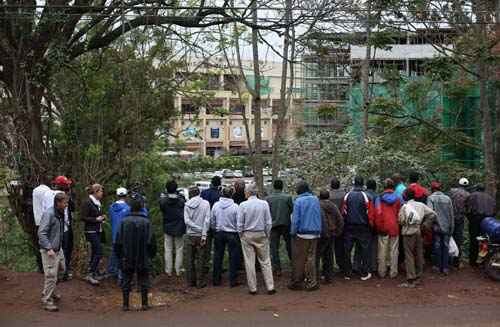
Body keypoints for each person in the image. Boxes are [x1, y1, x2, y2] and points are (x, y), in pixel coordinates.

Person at [115, 194, 157, 311]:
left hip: (126, 255)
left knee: (126, 279)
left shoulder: (124, 222)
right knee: (144, 279)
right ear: (141, 207)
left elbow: (118, 241)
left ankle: (125, 304)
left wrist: (119, 255)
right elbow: (151, 242)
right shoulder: (146, 222)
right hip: (143, 255)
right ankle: (144, 304)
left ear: (130, 208)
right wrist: (151, 255)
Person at [238, 184, 275, 295]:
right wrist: (267, 234)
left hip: (247, 235)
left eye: (245, 191)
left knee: (249, 262)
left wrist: (241, 235)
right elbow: (268, 222)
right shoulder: (264, 204)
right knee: (265, 261)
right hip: (261, 234)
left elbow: (239, 224)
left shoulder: (243, 205)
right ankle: (270, 286)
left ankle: (253, 288)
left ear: (248, 192)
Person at [398, 189, 437, 287]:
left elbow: (401, 221)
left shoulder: (404, 207)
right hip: (418, 231)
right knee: (419, 253)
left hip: (408, 232)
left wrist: (405, 223)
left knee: (409, 255)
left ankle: (411, 278)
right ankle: (419, 276)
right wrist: (425, 225)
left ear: (406, 196)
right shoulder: (421, 205)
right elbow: (433, 214)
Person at [38, 192, 69, 312]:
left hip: (58, 248)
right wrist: (48, 248)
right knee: (51, 275)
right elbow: (41, 233)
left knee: (62, 269)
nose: (66, 205)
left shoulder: (60, 213)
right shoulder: (49, 214)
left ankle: (51, 291)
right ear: (58, 203)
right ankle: (47, 300)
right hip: (49, 250)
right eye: (65, 202)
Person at [288, 181, 322, 291]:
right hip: (315, 232)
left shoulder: (298, 201)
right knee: (311, 258)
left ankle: (297, 282)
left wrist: (293, 232)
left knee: (299, 259)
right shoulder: (315, 199)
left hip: (302, 234)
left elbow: (295, 220)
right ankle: (312, 282)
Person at [341, 176, 374, 281]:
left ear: (354, 183)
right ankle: (365, 272)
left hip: (349, 226)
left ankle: (347, 273)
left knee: (347, 250)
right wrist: (371, 225)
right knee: (365, 249)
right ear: (363, 184)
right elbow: (370, 213)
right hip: (363, 227)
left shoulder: (347, 196)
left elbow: (344, 212)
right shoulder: (366, 196)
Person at [211, 187, 241, 287]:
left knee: (218, 256)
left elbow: (212, 220)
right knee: (233, 257)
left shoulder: (216, 205)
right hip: (232, 233)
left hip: (219, 233)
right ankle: (232, 280)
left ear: (221, 194)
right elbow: (238, 222)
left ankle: (216, 280)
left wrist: (215, 228)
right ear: (232, 194)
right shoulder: (235, 207)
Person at [373, 179, 402, 278]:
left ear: (384, 187)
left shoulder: (379, 198)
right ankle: (393, 272)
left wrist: (378, 226)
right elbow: (399, 213)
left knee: (382, 250)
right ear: (393, 187)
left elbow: (378, 212)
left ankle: (382, 272)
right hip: (394, 226)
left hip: (383, 226)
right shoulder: (398, 198)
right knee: (394, 250)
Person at [184, 186, 211, 288]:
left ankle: (190, 281)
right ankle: (200, 282)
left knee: (190, 259)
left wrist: (196, 228)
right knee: (201, 259)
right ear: (199, 193)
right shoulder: (206, 204)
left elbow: (187, 221)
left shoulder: (187, 205)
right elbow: (207, 220)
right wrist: (203, 232)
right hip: (201, 235)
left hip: (190, 234)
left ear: (190, 194)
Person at [265, 179, 293, 276]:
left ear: (274, 187)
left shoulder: (268, 199)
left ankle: (277, 268)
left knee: (274, 248)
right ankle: (293, 265)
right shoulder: (288, 197)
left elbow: (267, 213)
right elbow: (292, 210)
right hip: (286, 224)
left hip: (273, 225)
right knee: (289, 246)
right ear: (282, 187)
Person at [159, 180, 186, 277]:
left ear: (166, 189)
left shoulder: (163, 201)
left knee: (168, 249)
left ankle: (168, 270)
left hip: (167, 226)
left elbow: (162, 209)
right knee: (179, 249)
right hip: (179, 227)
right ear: (176, 189)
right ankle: (178, 270)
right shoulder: (181, 201)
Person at [427, 181, 454, 275]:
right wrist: (452, 227)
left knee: (437, 246)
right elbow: (451, 214)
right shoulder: (448, 199)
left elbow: (430, 214)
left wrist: (428, 226)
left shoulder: (431, 198)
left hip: (436, 227)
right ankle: (445, 268)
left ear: (432, 189)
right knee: (445, 246)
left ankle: (438, 267)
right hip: (447, 227)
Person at [81, 184, 106, 285]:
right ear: (95, 192)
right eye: (101, 191)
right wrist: (96, 219)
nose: (102, 193)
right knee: (99, 251)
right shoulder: (87, 202)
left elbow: (96, 215)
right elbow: (83, 217)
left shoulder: (97, 202)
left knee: (96, 251)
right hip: (90, 230)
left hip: (98, 230)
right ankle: (90, 273)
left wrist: (102, 218)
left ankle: (93, 272)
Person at [317, 189, 343, 284]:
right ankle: (329, 276)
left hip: (320, 232)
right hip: (331, 232)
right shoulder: (333, 206)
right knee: (329, 255)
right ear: (328, 197)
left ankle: (316, 276)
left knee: (317, 254)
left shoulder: (318, 205)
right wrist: (338, 231)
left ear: (319, 196)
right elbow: (340, 219)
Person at [466, 184, 496, 267]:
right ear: (484, 189)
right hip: (487, 221)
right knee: (485, 241)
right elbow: (494, 211)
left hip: (475, 219)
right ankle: (483, 261)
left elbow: (468, 209)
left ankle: (473, 261)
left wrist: (470, 219)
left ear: (477, 189)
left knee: (474, 240)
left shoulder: (472, 195)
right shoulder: (490, 198)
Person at [107, 187, 130, 283]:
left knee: (115, 253)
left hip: (114, 235)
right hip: (124, 236)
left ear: (117, 196)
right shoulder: (128, 209)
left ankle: (113, 271)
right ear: (126, 196)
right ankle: (121, 277)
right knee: (123, 256)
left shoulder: (111, 207)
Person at [448, 178, 470, 268]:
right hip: (460, 219)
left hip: (450, 218)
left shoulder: (452, 191)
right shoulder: (468, 195)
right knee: (458, 239)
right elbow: (468, 208)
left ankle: (448, 260)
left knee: (449, 237)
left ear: (459, 184)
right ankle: (456, 262)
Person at [32, 178, 52, 273]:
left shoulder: (35, 191)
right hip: (45, 220)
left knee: (40, 243)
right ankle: (46, 266)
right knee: (46, 244)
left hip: (38, 221)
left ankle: (41, 266)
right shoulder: (46, 191)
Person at [329, 177, 346, 273]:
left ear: (331, 185)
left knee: (329, 247)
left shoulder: (328, 195)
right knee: (340, 246)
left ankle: (329, 267)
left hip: (330, 224)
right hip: (341, 223)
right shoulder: (344, 194)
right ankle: (341, 266)